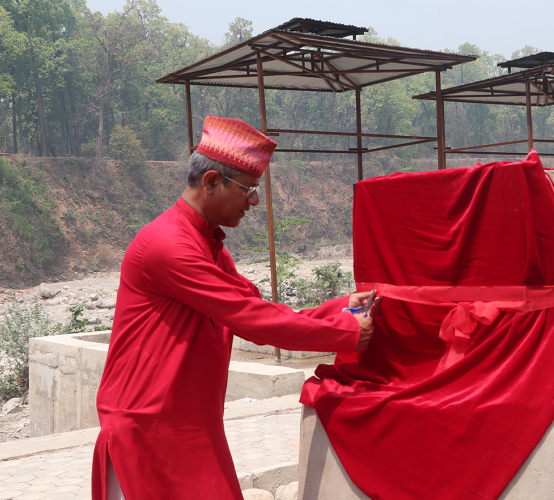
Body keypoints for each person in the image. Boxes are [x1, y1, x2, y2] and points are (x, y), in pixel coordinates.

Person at [91, 116, 374, 500]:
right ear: (211, 182)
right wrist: (346, 333)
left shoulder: (208, 246)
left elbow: (256, 309)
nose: (254, 201)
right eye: (248, 189)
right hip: (149, 429)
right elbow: (251, 320)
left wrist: (339, 309)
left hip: (188, 423)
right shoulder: (169, 245)